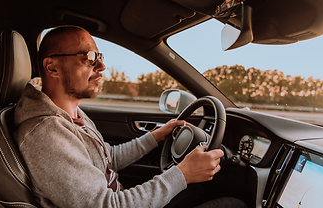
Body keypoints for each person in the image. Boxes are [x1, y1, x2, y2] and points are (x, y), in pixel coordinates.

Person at [14, 25, 246, 208]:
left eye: (100, 56)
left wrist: (155, 136)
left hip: (122, 197)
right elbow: (106, 205)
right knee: (233, 204)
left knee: (203, 192)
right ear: (52, 68)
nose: (102, 65)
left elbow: (107, 159)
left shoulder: (70, 113)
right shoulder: (45, 133)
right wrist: (183, 174)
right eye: (90, 57)